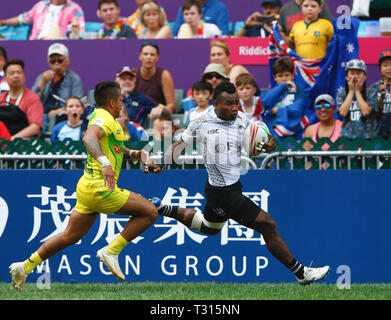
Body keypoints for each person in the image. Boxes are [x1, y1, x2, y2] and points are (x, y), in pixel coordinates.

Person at [151, 82, 330, 285]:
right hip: (221, 192)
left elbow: (265, 138)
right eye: (229, 103)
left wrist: (269, 145)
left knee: (210, 228)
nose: (235, 107)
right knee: (267, 224)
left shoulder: (241, 120)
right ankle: (301, 273)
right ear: (216, 104)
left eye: (236, 103)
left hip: (230, 188)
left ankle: (164, 208)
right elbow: (179, 144)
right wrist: (161, 163)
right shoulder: (200, 123)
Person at [9, 80, 163, 291]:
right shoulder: (103, 118)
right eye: (120, 100)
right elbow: (88, 137)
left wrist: (140, 154)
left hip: (87, 187)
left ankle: (24, 266)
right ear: (111, 102)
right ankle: (111, 251)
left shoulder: (104, 117)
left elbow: (116, 148)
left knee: (70, 236)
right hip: (101, 188)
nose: (122, 104)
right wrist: (105, 163)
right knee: (150, 212)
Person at [31, 43, 85, 131]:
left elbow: (79, 105)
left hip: (63, 116)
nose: (56, 64)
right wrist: (42, 82)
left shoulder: (74, 79)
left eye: (60, 61)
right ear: (49, 63)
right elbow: (32, 101)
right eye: (53, 61)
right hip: (41, 115)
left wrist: (60, 111)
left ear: (68, 60)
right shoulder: (43, 77)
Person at [261, 57, 307, 141]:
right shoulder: (272, 93)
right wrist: (283, 86)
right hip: (274, 135)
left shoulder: (299, 91)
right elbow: (264, 103)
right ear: (274, 77)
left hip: (295, 135)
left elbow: (297, 110)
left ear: (292, 75)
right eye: (280, 76)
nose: (284, 79)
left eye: (287, 75)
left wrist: (277, 110)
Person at [0, 59, 44, 139]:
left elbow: (35, 127)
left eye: (19, 72)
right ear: (5, 78)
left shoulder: (33, 98)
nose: (16, 76)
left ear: (24, 77)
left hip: (24, 144)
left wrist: (12, 139)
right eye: (12, 73)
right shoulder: (1, 97)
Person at [0, 0, 85, 40]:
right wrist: (3, 22)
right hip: (36, 43)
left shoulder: (75, 8)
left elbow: (80, 34)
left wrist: (75, 32)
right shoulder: (41, 4)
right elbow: (23, 19)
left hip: (59, 43)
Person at [337, 59, 378, 140]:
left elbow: (366, 112)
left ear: (365, 76)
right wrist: (351, 91)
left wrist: (357, 91)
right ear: (347, 77)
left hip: (367, 138)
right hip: (347, 138)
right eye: (352, 73)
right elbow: (342, 113)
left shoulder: (371, 92)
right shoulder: (342, 93)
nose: (355, 77)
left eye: (359, 73)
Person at [135, 41, 176, 114]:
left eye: (152, 54)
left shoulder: (164, 75)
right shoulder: (132, 74)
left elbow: (172, 106)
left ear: (157, 57)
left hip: (161, 117)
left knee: (167, 124)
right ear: (140, 56)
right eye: (145, 54)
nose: (148, 57)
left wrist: (161, 110)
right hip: (138, 117)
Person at [368, 49, 391, 140]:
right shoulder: (373, 88)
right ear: (380, 69)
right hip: (378, 138)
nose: (389, 68)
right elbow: (371, 114)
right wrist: (382, 96)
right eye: (385, 65)